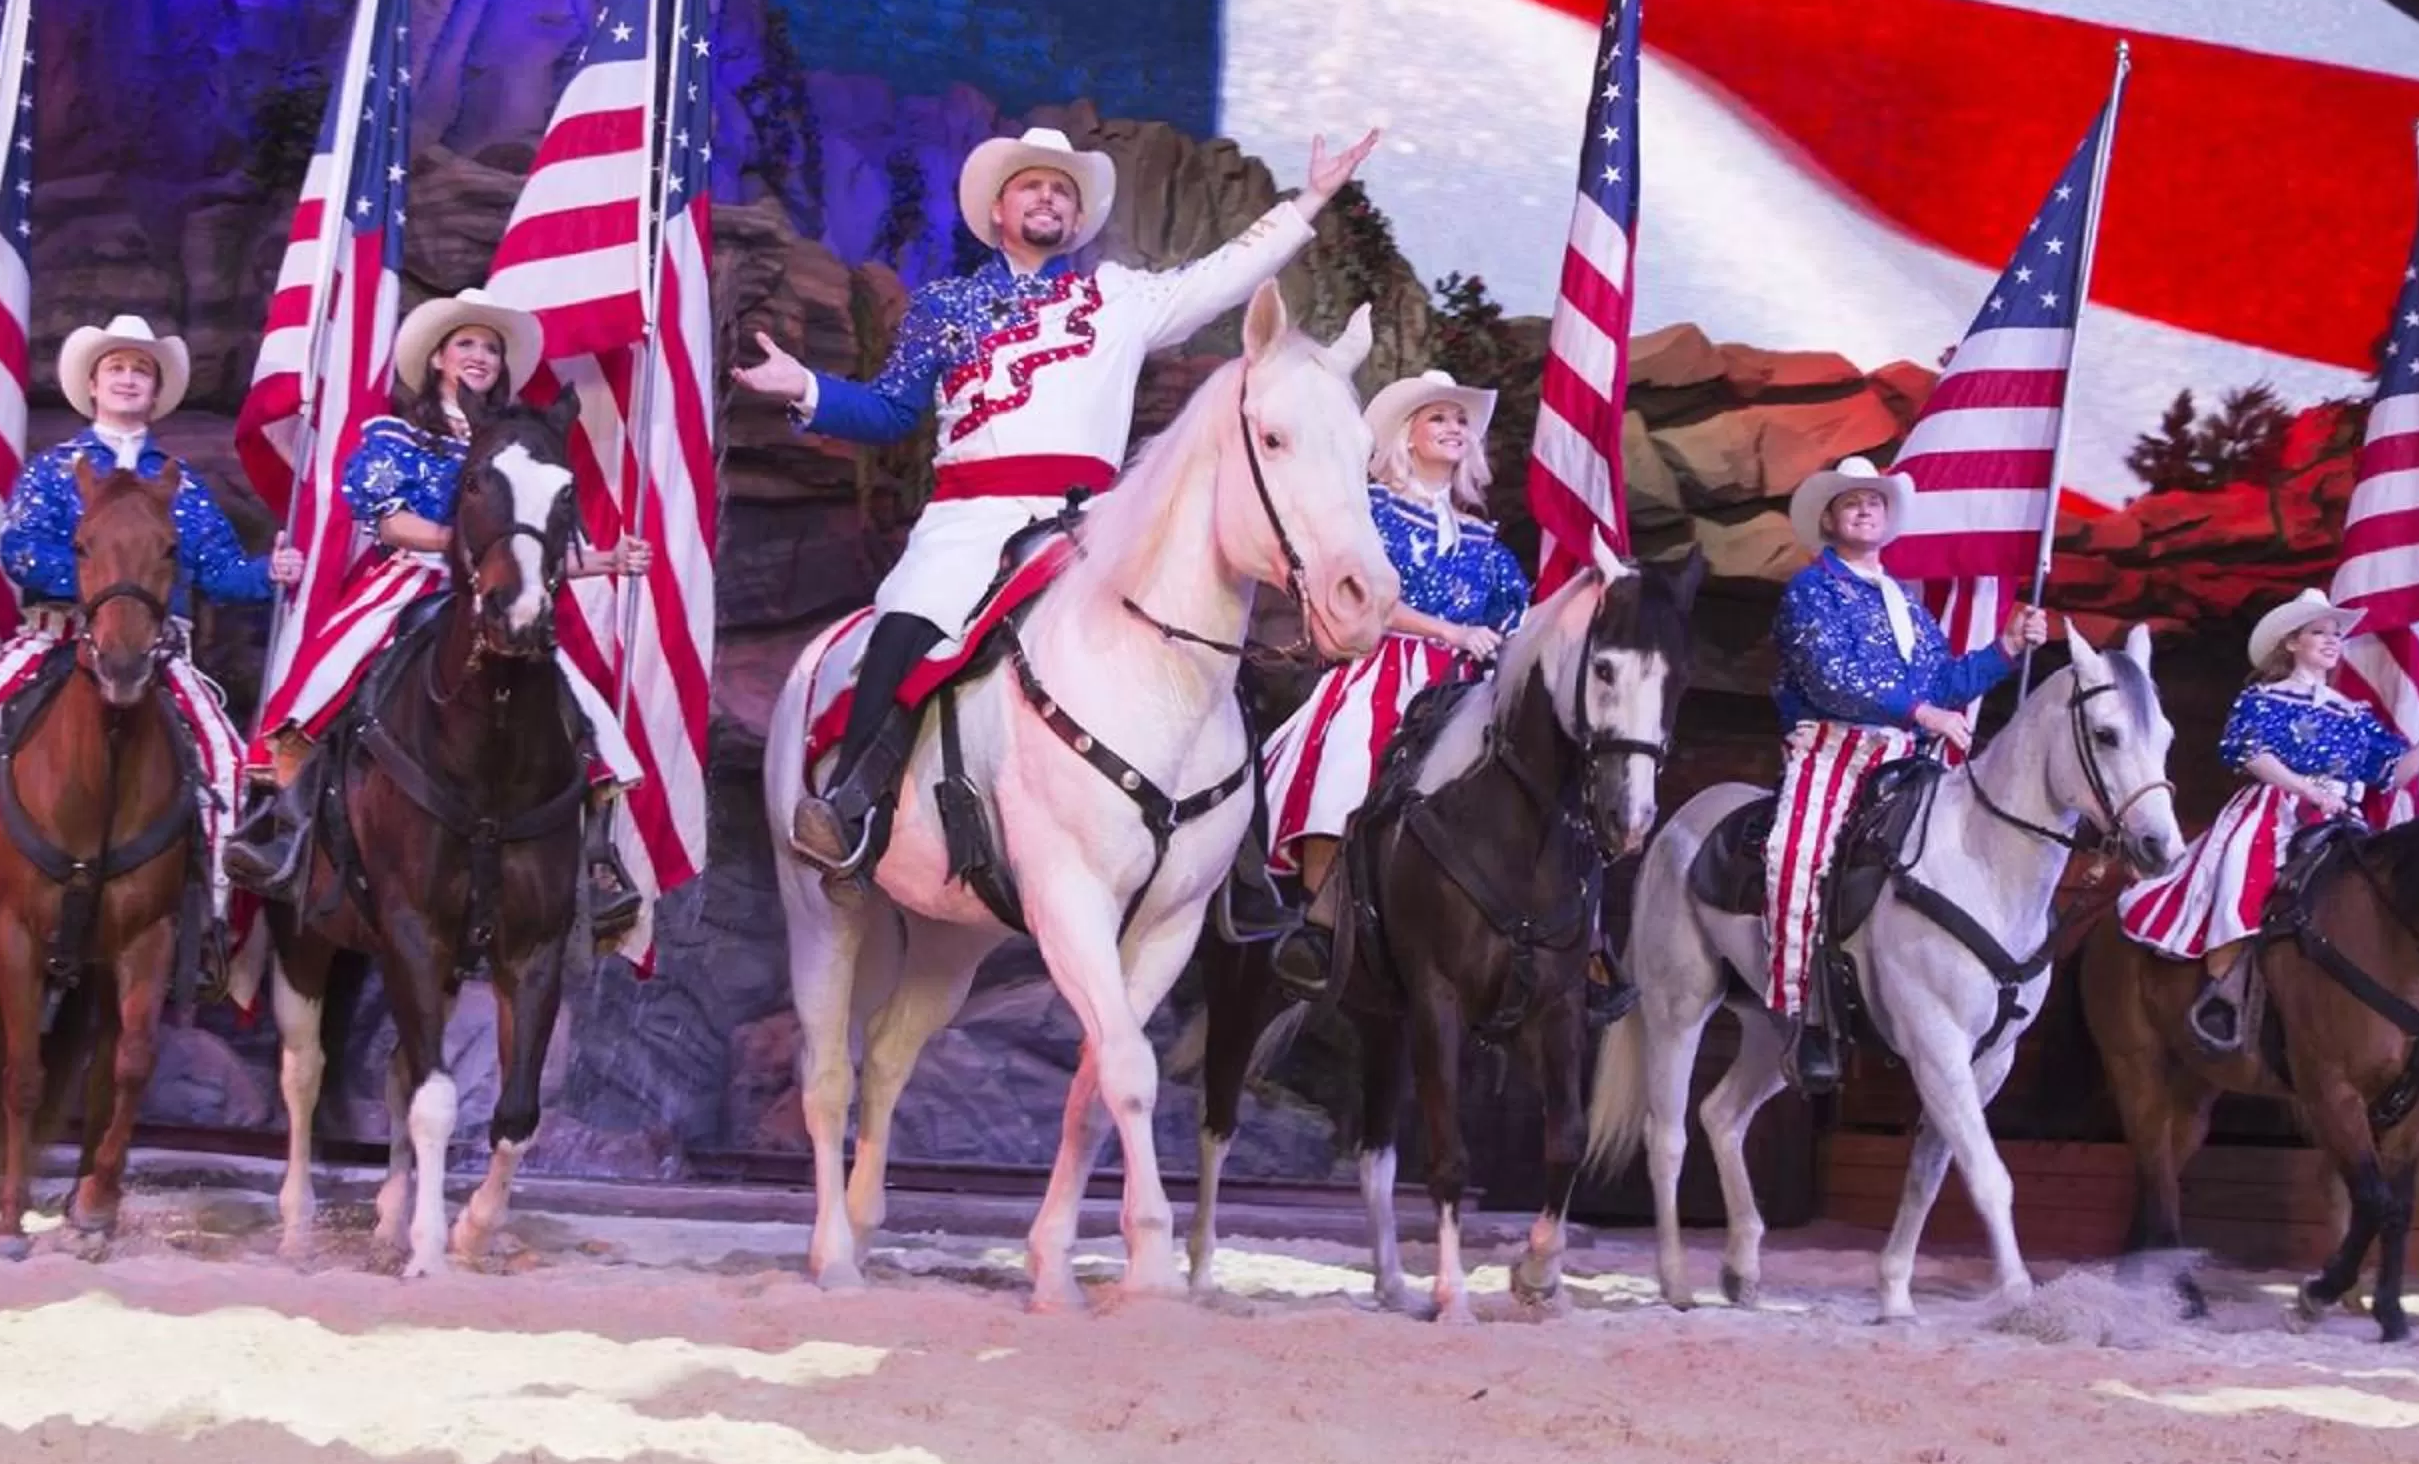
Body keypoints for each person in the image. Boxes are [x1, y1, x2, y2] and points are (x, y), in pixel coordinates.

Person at [734, 119, 1381, 874]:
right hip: (972, 521)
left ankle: (1229, 864)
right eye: (1031, 186)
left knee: (1193, 647)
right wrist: (804, 386)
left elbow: (1220, 277)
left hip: (1092, 528)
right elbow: (886, 411)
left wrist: (1311, 199)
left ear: (1075, 221)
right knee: (913, 612)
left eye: (1062, 191)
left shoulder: (1118, 299)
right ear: (1000, 214)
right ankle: (852, 802)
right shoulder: (944, 307)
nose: (1048, 198)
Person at [0, 315, 299, 981]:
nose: (128, 379)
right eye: (117, 370)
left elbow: (217, 570)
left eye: (141, 370)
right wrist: (106, 581)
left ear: (155, 389)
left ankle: (216, 916)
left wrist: (268, 574)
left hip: (157, 650)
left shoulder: (179, 482)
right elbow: (20, 549)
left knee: (222, 754)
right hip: (58, 637)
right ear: (94, 387)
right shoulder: (55, 470)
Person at [224, 288, 653, 934]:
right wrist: (461, 548)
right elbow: (390, 522)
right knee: (332, 674)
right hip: (413, 582)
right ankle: (283, 825)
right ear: (438, 361)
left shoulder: (517, 443)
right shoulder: (397, 434)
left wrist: (606, 561)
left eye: (491, 348)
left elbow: (529, 544)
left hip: (500, 588)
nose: (480, 357)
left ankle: (594, 858)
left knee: (579, 702)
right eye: (467, 345)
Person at [1764, 456, 2045, 1087]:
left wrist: (2007, 647)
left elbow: (1944, 681)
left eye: (1875, 502)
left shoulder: (1907, 606)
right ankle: (1804, 1013)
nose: (1865, 509)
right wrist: (1924, 712)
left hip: (1906, 756)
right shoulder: (1811, 590)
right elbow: (1828, 678)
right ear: (1830, 520)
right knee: (1797, 855)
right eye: (1852, 502)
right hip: (1834, 748)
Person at [1259, 367, 1529, 990]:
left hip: (1464, 684)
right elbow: (1362, 594)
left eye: (1461, 420)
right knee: (1352, 755)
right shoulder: (1370, 509)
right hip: (1383, 664)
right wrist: (1450, 632)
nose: (1455, 427)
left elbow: (1514, 615)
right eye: (1439, 417)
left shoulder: (1484, 538)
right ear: (1405, 437)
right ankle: (1320, 923)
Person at [2119, 585, 2419, 1051]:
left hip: (2341, 816)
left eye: (2335, 633)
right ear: (2291, 643)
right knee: (2240, 876)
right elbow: (2251, 754)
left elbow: (2391, 774)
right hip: (2274, 809)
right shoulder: (2264, 699)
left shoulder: (2353, 713)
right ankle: (2224, 990)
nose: (2331, 639)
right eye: (2318, 631)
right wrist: (2305, 789)